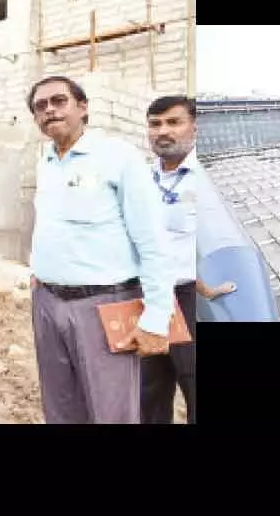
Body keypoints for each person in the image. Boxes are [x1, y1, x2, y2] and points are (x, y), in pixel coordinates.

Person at [26, 75, 174, 424]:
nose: (49, 110)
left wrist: (156, 317)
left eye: (59, 101)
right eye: (40, 106)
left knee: (112, 412)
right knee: (61, 408)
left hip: (105, 305)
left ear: (83, 107)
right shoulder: (46, 161)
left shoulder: (117, 157)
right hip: (47, 303)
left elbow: (153, 240)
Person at [142, 95, 200, 425]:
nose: (163, 131)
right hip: (146, 296)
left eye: (173, 122)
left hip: (189, 297)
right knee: (148, 391)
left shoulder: (204, 179)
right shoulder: (140, 179)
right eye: (155, 124)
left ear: (194, 127)